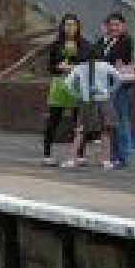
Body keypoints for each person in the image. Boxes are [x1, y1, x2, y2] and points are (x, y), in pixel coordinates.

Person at [64, 42, 121, 168]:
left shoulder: (79, 67)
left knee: (81, 130)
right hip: (104, 100)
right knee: (106, 131)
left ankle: (72, 159)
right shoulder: (105, 65)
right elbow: (118, 77)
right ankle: (105, 160)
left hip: (87, 101)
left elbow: (68, 83)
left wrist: (77, 94)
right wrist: (111, 89)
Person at [42, 14, 84, 165]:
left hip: (78, 85)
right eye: (67, 25)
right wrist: (59, 67)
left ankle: (79, 154)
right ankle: (47, 154)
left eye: (73, 24)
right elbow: (49, 66)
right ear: (62, 27)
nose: (70, 28)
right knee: (54, 119)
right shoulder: (56, 44)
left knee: (78, 121)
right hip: (59, 84)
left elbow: (89, 63)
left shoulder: (84, 44)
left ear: (78, 27)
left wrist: (75, 67)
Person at [98, 11, 135, 167]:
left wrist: (113, 64)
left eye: (117, 24)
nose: (114, 27)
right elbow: (97, 55)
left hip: (121, 85)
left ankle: (124, 156)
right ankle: (114, 155)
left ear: (123, 26)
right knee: (112, 122)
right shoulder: (107, 41)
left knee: (121, 120)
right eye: (111, 25)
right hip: (108, 85)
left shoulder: (125, 40)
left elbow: (116, 60)